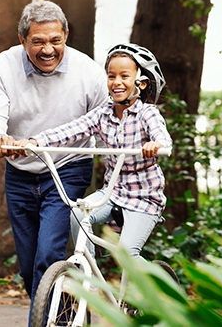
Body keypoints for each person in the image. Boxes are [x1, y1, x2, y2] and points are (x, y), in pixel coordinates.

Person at [0, 0, 107, 305]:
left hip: (69, 166)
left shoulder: (88, 72)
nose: (47, 50)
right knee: (28, 269)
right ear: (23, 40)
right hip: (20, 171)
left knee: (47, 254)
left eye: (55, 41)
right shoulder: (1, 67)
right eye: (37, 42)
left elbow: (107, 123)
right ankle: (60, 312)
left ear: (66, 35)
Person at [16, 43, 172, 261]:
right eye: (111, 76)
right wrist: (34, 141)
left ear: (141, 83)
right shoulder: (102, 114)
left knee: (127, 254)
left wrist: (156, 145)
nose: (117, 82)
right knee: (78, 213)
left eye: (124, 76)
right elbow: (70, 130)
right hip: (112, 193)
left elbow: (164, 140)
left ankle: (157, 292)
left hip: (143, 197)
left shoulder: (148, 114)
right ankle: (88, 275)